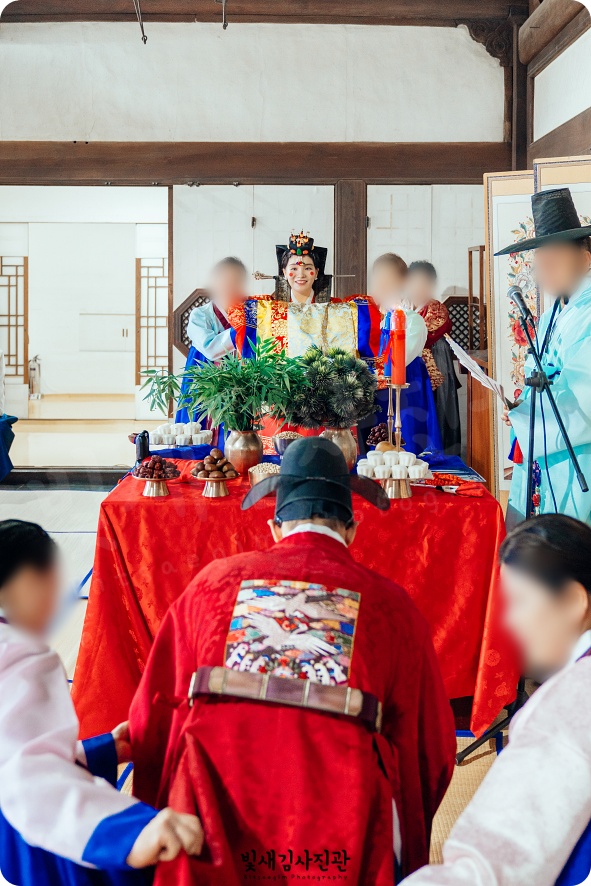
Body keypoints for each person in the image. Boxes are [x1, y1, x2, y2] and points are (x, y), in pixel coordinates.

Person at [129, 437, 456, 885]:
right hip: (342, 834)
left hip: (213, 819)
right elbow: (430, 749)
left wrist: (155, 813)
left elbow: (152, 713)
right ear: (351, 530)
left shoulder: (212, 585)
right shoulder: (392, 608)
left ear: (274, 527)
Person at [0, 519, 204, 886]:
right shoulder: (22, 658)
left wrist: (102, 750)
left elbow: (11, 750)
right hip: (45, 829)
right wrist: (130, 831)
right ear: (28, 581)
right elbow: (27, 777)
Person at [405, 513, 591, 886]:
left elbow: (489, 869)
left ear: (572, 601)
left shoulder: (569, 704)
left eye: (519, 601)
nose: (508, 621)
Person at [499, 189, 591, 526]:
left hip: (578, 456)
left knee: (567, 541)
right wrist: (520, 409)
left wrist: (526, 417)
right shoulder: (556, 310)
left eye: (554, 260)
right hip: (547, 452)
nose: (544, 271)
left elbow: (583, 397)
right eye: (541, 262)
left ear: (585, 260)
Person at [361, 253, 442, 455]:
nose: (382, 286)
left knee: (407, 446)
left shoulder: (413, 321)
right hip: (374, 396)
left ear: (403, 283)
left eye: (389, 280)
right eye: (379, 280)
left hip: (406, 393)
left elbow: (399, 359)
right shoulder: (368, 319)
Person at [176, 256, 248, 430]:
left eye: (236, 281)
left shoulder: (247, 312)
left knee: (237, 433)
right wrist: (242, 329)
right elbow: (210, 348)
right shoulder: (200, 315)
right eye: (225, 280)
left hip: (237, 386)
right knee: (200, 431)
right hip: (205, 385)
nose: (230, 286)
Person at [406, 261, 461, 456]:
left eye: (424, 282)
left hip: (437, 362)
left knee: (438, 409)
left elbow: (422, 335)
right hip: (411, 367)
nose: (419, 287)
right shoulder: (404, 307)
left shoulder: (437, 309)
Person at [274, 231, 333, 304]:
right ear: (285, 272)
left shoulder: (334, 306)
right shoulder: (268, 306)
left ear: (316, 272)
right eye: (294, 268)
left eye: (307, 268)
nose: (301, 275)